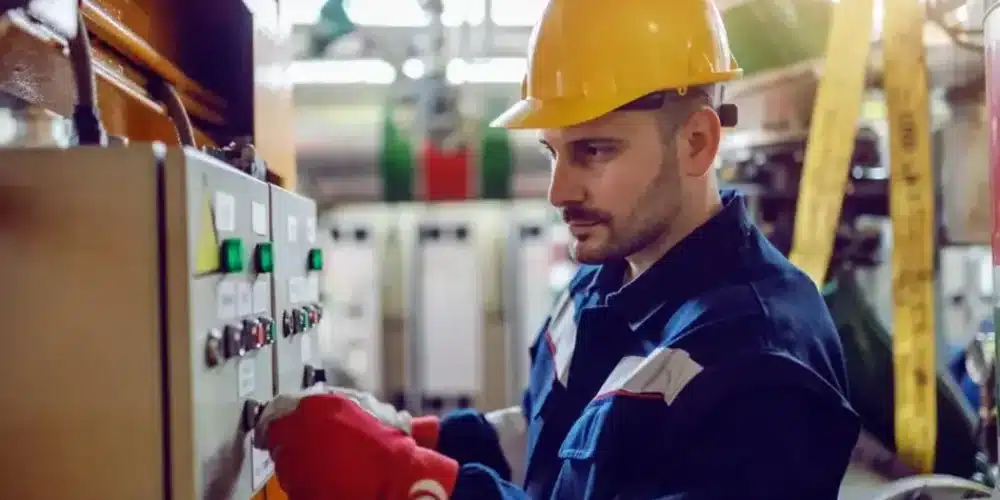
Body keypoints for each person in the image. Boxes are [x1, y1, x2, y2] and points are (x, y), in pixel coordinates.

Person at [252, 0, 861, 498]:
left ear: (697, 142)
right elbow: (550, 445)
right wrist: (416, 435)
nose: (559, 190)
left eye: (594, 151)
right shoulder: (604, 278)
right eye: (553, 153)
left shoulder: (764, 362)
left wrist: (406, 481)